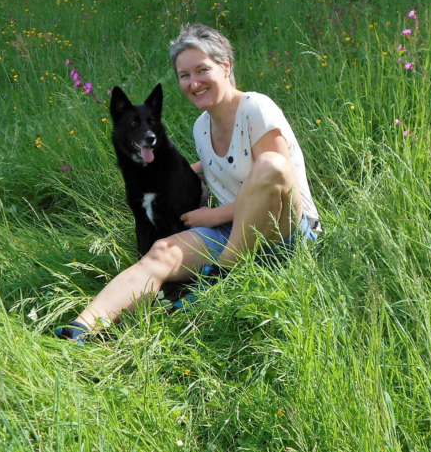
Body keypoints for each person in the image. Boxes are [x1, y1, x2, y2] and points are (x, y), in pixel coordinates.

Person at [55, 23, 320, 341]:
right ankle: (81, 329)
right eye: (184, 75)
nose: (194, 83)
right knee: (160, 252)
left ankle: (220, 275)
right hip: (235, 235)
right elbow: (213, 167)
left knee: (271, 165)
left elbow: (277, 179)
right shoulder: (200, 126)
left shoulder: (255, 108)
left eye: (202, 70)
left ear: (226, 66)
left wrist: (214, 215)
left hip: (286, 232)